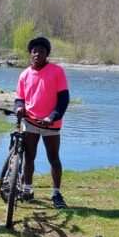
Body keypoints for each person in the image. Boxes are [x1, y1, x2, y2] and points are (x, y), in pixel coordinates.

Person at [14, 35, 70, 208]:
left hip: (50, 125)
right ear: (30, 54)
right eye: (34, 51)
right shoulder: (24, 74)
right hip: (30, 122)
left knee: (53, 158)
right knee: (29, 156)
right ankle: (27, 190)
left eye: (41, 51)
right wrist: (19, 108)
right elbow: (19, 99)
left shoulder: (57, 71)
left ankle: (56, 194)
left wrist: (51, 117)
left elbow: (64, 100)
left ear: (47, 54)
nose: (37, 54)